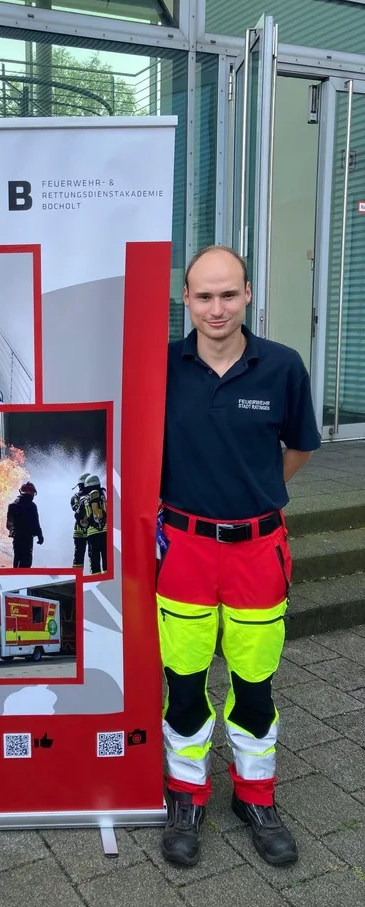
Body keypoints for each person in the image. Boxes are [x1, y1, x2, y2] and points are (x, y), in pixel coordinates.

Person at [158, 245, 321, 870]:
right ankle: (186, 796)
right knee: (185, 685)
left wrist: (257, 495)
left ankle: (255, 797)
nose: (216, 307)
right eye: (204, 296)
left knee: (255, 685)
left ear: (248, 294)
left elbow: (299, 450)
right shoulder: (163, 365)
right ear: (187, 301)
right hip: (185, 549)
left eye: (228, 294)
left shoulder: (282, 366)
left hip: (257, 550)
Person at [6, 482, 44, 567]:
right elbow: (36, 523)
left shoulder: (12, 505)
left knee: (17, 558)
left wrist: (14, 531)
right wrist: (40, 536)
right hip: (27, 539)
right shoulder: (32, 506)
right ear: (32, 493)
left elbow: (8, 525)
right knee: (26, 561)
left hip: (17, 538)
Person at [83, 475, 108, 575]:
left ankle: (96, 583)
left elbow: (82, 518)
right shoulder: (105, 496)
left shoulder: (85, 499)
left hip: (93, 534)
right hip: (106, 532)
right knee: (107, 560)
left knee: (94, 562)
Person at [71, 473, 90, 568]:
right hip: (81, 531)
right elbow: (76, 511)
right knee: (79, 557)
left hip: (90, 531)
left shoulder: (94, 496)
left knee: (92, 556)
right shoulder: (76, 497)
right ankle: (76, 577)